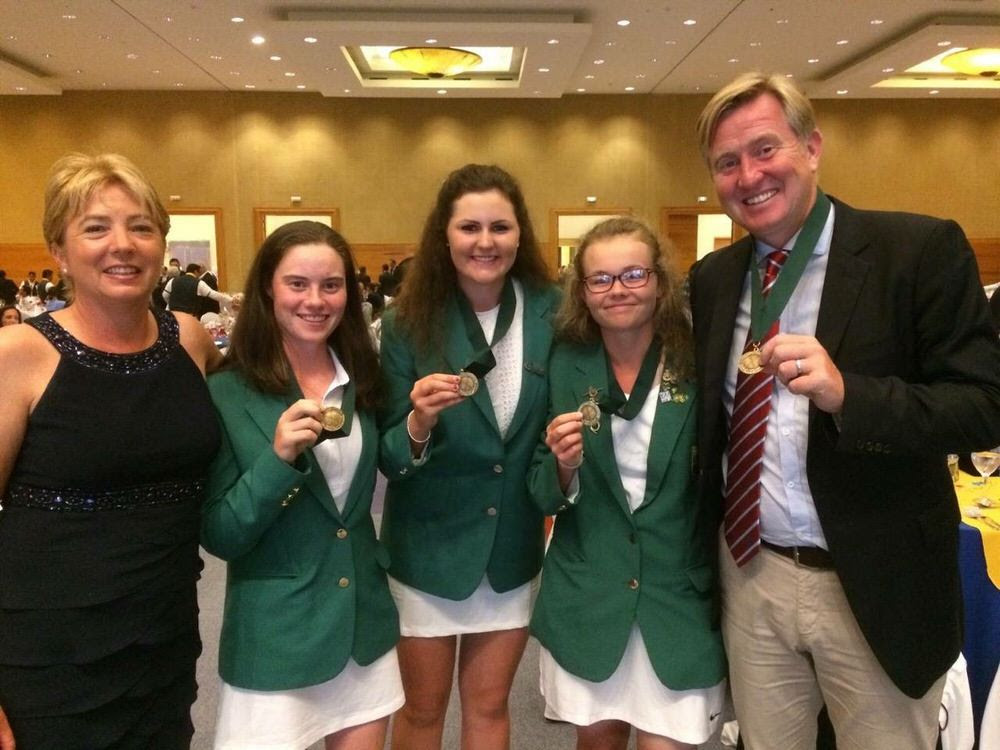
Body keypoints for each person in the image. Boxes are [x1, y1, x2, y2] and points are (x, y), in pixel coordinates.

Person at [688, 72, 1000, 750]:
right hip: (753, 575)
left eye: (765, 149)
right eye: (727, 162)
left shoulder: (915, 253)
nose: (749, 175)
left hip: (873, 580)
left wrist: (849, 394)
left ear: (812, 147)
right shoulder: (714, 279)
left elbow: (983, 407)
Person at [0, 152, 222, 749]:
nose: (122, 244)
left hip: (164, 637)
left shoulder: (191, 340)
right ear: (59, 249)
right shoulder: (18, 354)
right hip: (48, 655)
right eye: (96, 227)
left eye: (141, 227)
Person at [202, 220, 403, 750]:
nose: (315, 300)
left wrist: (421, 427)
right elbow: (221, 533)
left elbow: (380, 478)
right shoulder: (226, 392)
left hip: (363, 624)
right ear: (268, 288)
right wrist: (278, 458)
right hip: (275, 631)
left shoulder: (362, 377)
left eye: (331, 285)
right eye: (298, 284)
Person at [379, 163, 558, 749]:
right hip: (428, 547)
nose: (486, 242)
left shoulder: (552, 311)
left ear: (520, 234)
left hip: (509, 544)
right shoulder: (407, 320)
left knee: (489, 708)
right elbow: (388, 453)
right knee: (422, 713)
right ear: (445, 236)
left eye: (500, 227)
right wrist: (418, 420)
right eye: (470, 227)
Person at [529, 217, 726, 750]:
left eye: (634, 274)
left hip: (676, 598)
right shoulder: (562, 362)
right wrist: (563, 466)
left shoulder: (699, 357)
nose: (618, 290)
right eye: (600, 278)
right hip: (588, 594)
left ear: (660, 281)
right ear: (583, 291)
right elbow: (539, 490)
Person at [163, 262, 230, 315]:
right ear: (195, 272)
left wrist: (172, 303)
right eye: (199, 273)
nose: (199, 276)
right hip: (189, 316)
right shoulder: (199, 283)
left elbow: (164, 295)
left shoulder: (173, 280)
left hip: (172, 314)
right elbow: (214, 294)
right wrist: (231, 299)